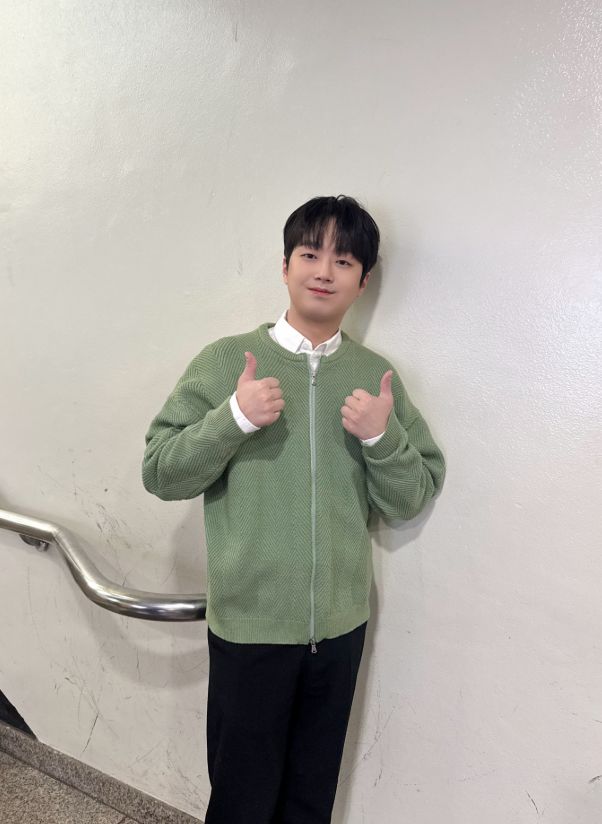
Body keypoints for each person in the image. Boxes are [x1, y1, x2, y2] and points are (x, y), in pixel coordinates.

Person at [141, 195, 446, 823]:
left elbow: (411, 495)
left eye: (344, 260)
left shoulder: (374, 376)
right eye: (310, 254)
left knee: (311, 802)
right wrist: (233, 418)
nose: (324, 271)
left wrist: (380, 438)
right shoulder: (226, 362)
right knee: (242, 802)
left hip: (340, 629)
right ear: (285, 266)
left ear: (363, 280)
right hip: (250, 627)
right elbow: (161, 472)